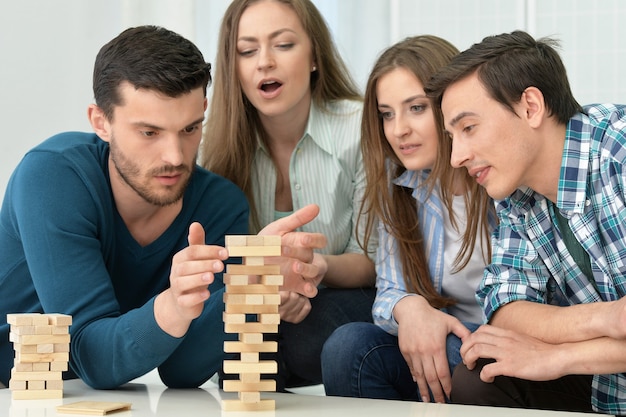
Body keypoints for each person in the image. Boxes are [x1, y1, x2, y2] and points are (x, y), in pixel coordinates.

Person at [0, 25, 326, 390]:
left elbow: (182, 371)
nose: (175, 157)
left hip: (80, 398)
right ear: (101, 122)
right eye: (149, 133)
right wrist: (173, 306)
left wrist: (250, 284)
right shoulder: (52, 177)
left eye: (190, 129)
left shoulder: (220, 205)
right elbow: (91, 356)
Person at [426, 30, 626, 415]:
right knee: (483, 375)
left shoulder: (618, 155)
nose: (456, 157)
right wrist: (608, 318)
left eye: (468, 128)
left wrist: (559, 358)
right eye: (452, 136)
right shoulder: (515, 193)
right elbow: (506, 304)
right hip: (608, 386)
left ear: (531, 107)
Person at [201, 0, 376, 389]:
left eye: (282, 45)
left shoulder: (360, 129)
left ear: (314, 55)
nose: (264, 62)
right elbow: (222, 269)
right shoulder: (215, 148)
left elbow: (374, 260)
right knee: (234, 349)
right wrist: (269, 290)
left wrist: (312, 269)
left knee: (299, 337)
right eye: (247, 51)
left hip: (350, 292)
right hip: (260, 302)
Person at [321, 35, 495, 403]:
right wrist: (410, 308)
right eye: (387, 114)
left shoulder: (498, 177)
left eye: (416, 108)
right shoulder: (400, 184)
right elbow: (389, 291)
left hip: (493, 349)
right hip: (441, 343)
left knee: (461, 362)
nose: (398, 129)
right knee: (347, 347)